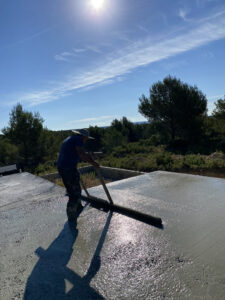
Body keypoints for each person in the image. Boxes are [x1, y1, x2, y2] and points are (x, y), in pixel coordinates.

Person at [57, 129, 99, 219]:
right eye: (86, 139)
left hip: (63, 167)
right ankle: (71, 214)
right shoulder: (78, 139)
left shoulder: (70, 138)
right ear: (83, 136)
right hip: (68, 168)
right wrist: (93, 163)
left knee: (75, 187)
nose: (85, 141)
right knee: (74, 192)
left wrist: (88, 158)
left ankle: (78, 207)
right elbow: (81, 154)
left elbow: (76, 154)